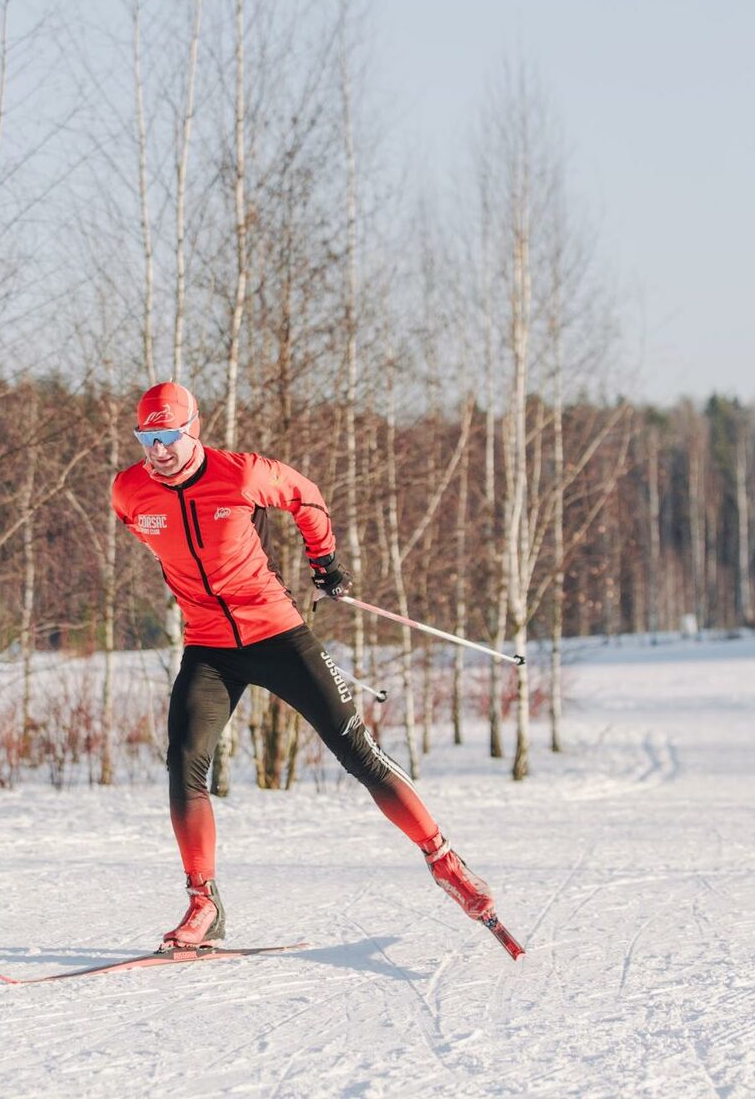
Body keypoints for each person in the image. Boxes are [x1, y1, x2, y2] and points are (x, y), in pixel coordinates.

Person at [112, 381, 502, 951]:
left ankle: (448, 865)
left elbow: (306, 495)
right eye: (148, 438)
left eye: (169, 437)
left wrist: (325, 561)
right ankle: (204, 904)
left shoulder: (241, 475)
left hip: (276, 633)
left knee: (357, 751)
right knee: (185, 763)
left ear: (192, 431)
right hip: (208, 645)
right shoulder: (129, 491)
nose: (159, 450)